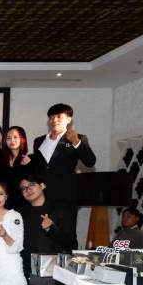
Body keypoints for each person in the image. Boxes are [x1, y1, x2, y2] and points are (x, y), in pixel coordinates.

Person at [30, 103, 96, 249]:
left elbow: (90, 161)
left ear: (69, 119)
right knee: (42, 232)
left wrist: (76, 142)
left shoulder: (78, 138)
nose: (54, 120)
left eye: (59, 116)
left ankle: (70, 262)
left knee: (68, 234)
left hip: (66, 196)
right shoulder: (39, 141)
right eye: (51, 117)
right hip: (43, 197)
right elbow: (38, 167)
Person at [16, 173, 75, 280]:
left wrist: (50, 229)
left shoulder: (59, 209)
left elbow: (69, 240)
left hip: (48, 269)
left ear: (42, 186)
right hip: (21, 268)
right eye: (24, 188)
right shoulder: (18, 213)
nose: (28, 190)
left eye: (31, 185)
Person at [0, 126, 32, 210]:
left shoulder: (31, 160)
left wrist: (26, 166)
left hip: (22, 205)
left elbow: (29, 186)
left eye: (15, 137)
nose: (12, 140)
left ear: (22, 139)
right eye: (8, 138)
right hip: (1, 203)